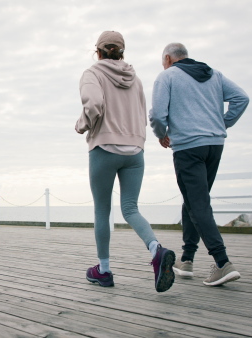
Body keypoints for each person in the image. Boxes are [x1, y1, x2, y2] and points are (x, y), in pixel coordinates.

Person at [76, 31, 176, 293]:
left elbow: (94, 104)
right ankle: (156, 249)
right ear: (122, 52)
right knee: (130, 208)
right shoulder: (136, 79)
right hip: (135, 151)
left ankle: (104, 271)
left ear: (97, 51)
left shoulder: (92, 73)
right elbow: (142, 113)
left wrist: (82, 124)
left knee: (102, 209)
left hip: (105, 148)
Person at [149, 42, 249, 286]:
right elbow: (242, 98)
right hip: (214, 145)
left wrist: (161, 134)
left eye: (163, 61)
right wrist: (221, 124)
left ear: (168, 58)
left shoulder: (167, 76)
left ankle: (223, 262)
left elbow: (157, 115)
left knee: (198, 203)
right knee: (194, 200)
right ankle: (187, 259)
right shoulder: (214, 74)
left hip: (188, 147)